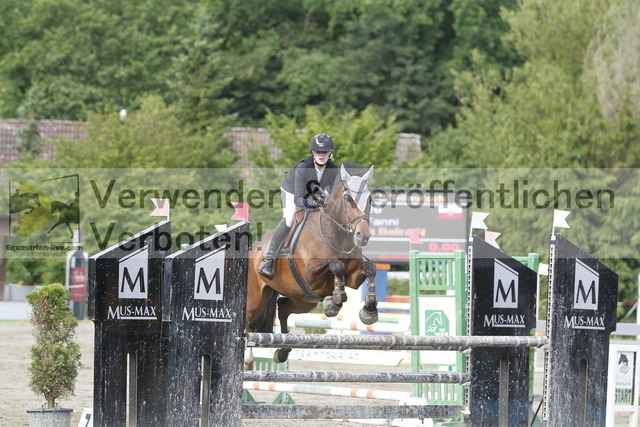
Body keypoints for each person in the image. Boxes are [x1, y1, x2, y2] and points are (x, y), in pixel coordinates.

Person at [258, 133, 339, 279]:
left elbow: (334, 193)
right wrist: (312, 203)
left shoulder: (333, 169)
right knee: (290, 217)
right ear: (313, 152)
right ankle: (268, 259)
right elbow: (298, 199)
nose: (321, 155)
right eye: (318, 151)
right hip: (292, 190)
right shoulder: (303, 168)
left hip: (314, 191)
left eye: (325, 152)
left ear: (330, 154)